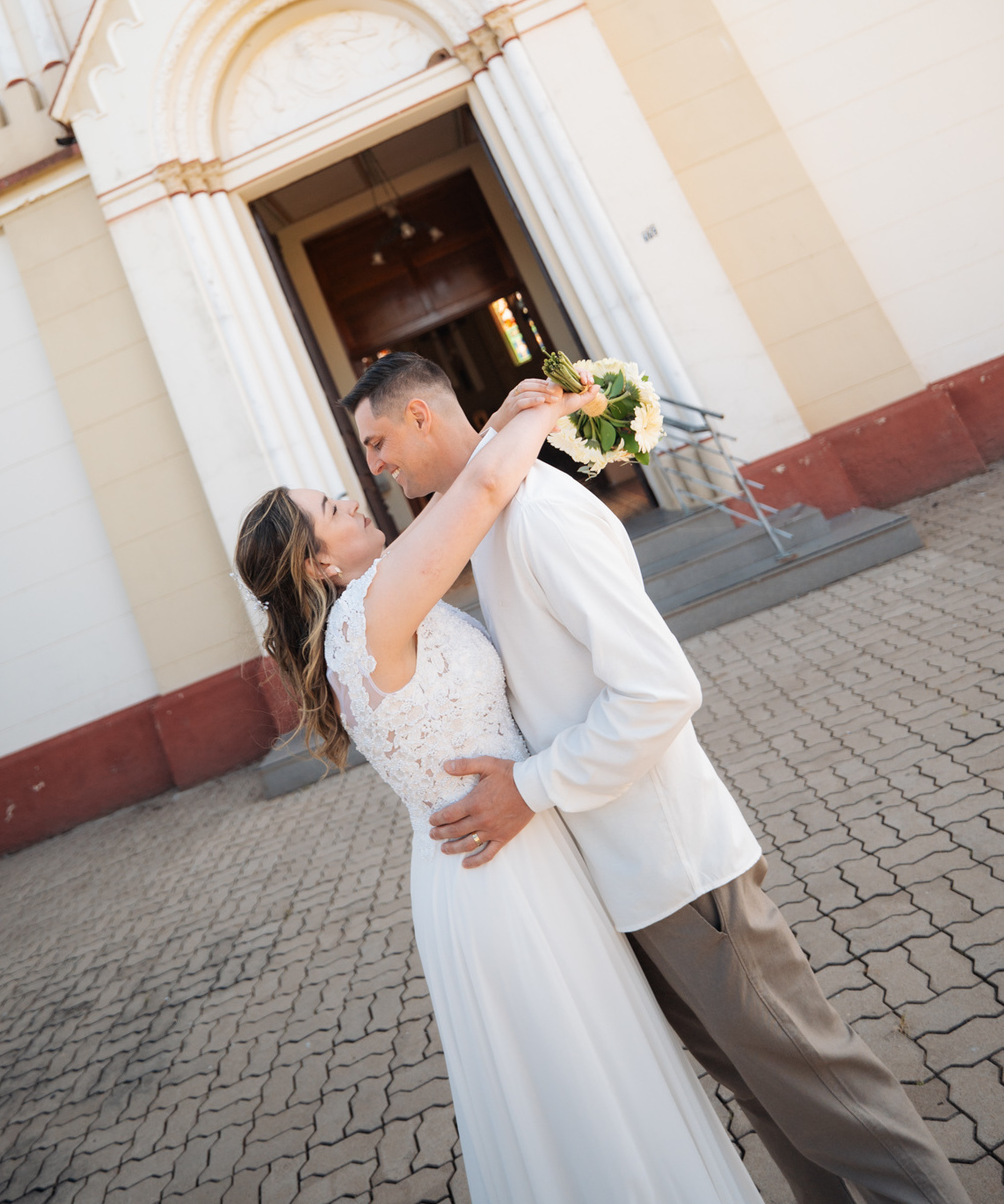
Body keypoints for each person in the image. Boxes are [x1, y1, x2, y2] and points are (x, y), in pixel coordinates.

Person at [344, 351, 970, 1204]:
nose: (374, 468)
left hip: (679, 871)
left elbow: (660, 690)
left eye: (378, 442)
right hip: (623, 882)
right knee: (772, 1103)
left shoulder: (541, 515)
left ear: (421, 416)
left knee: (835, 1101)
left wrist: (526, 789)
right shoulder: (483, 519)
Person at [236, 376, 764, 1204]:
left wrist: (503, 420)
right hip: (503, 872)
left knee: (593, 1069)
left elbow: (469, 489)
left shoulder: (372, 611)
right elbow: (483, 487)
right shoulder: (372, 611)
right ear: (319, 562)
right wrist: (560, 405)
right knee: (588, 1082)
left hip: (501, 850)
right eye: (335, 508)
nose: (357, 495)